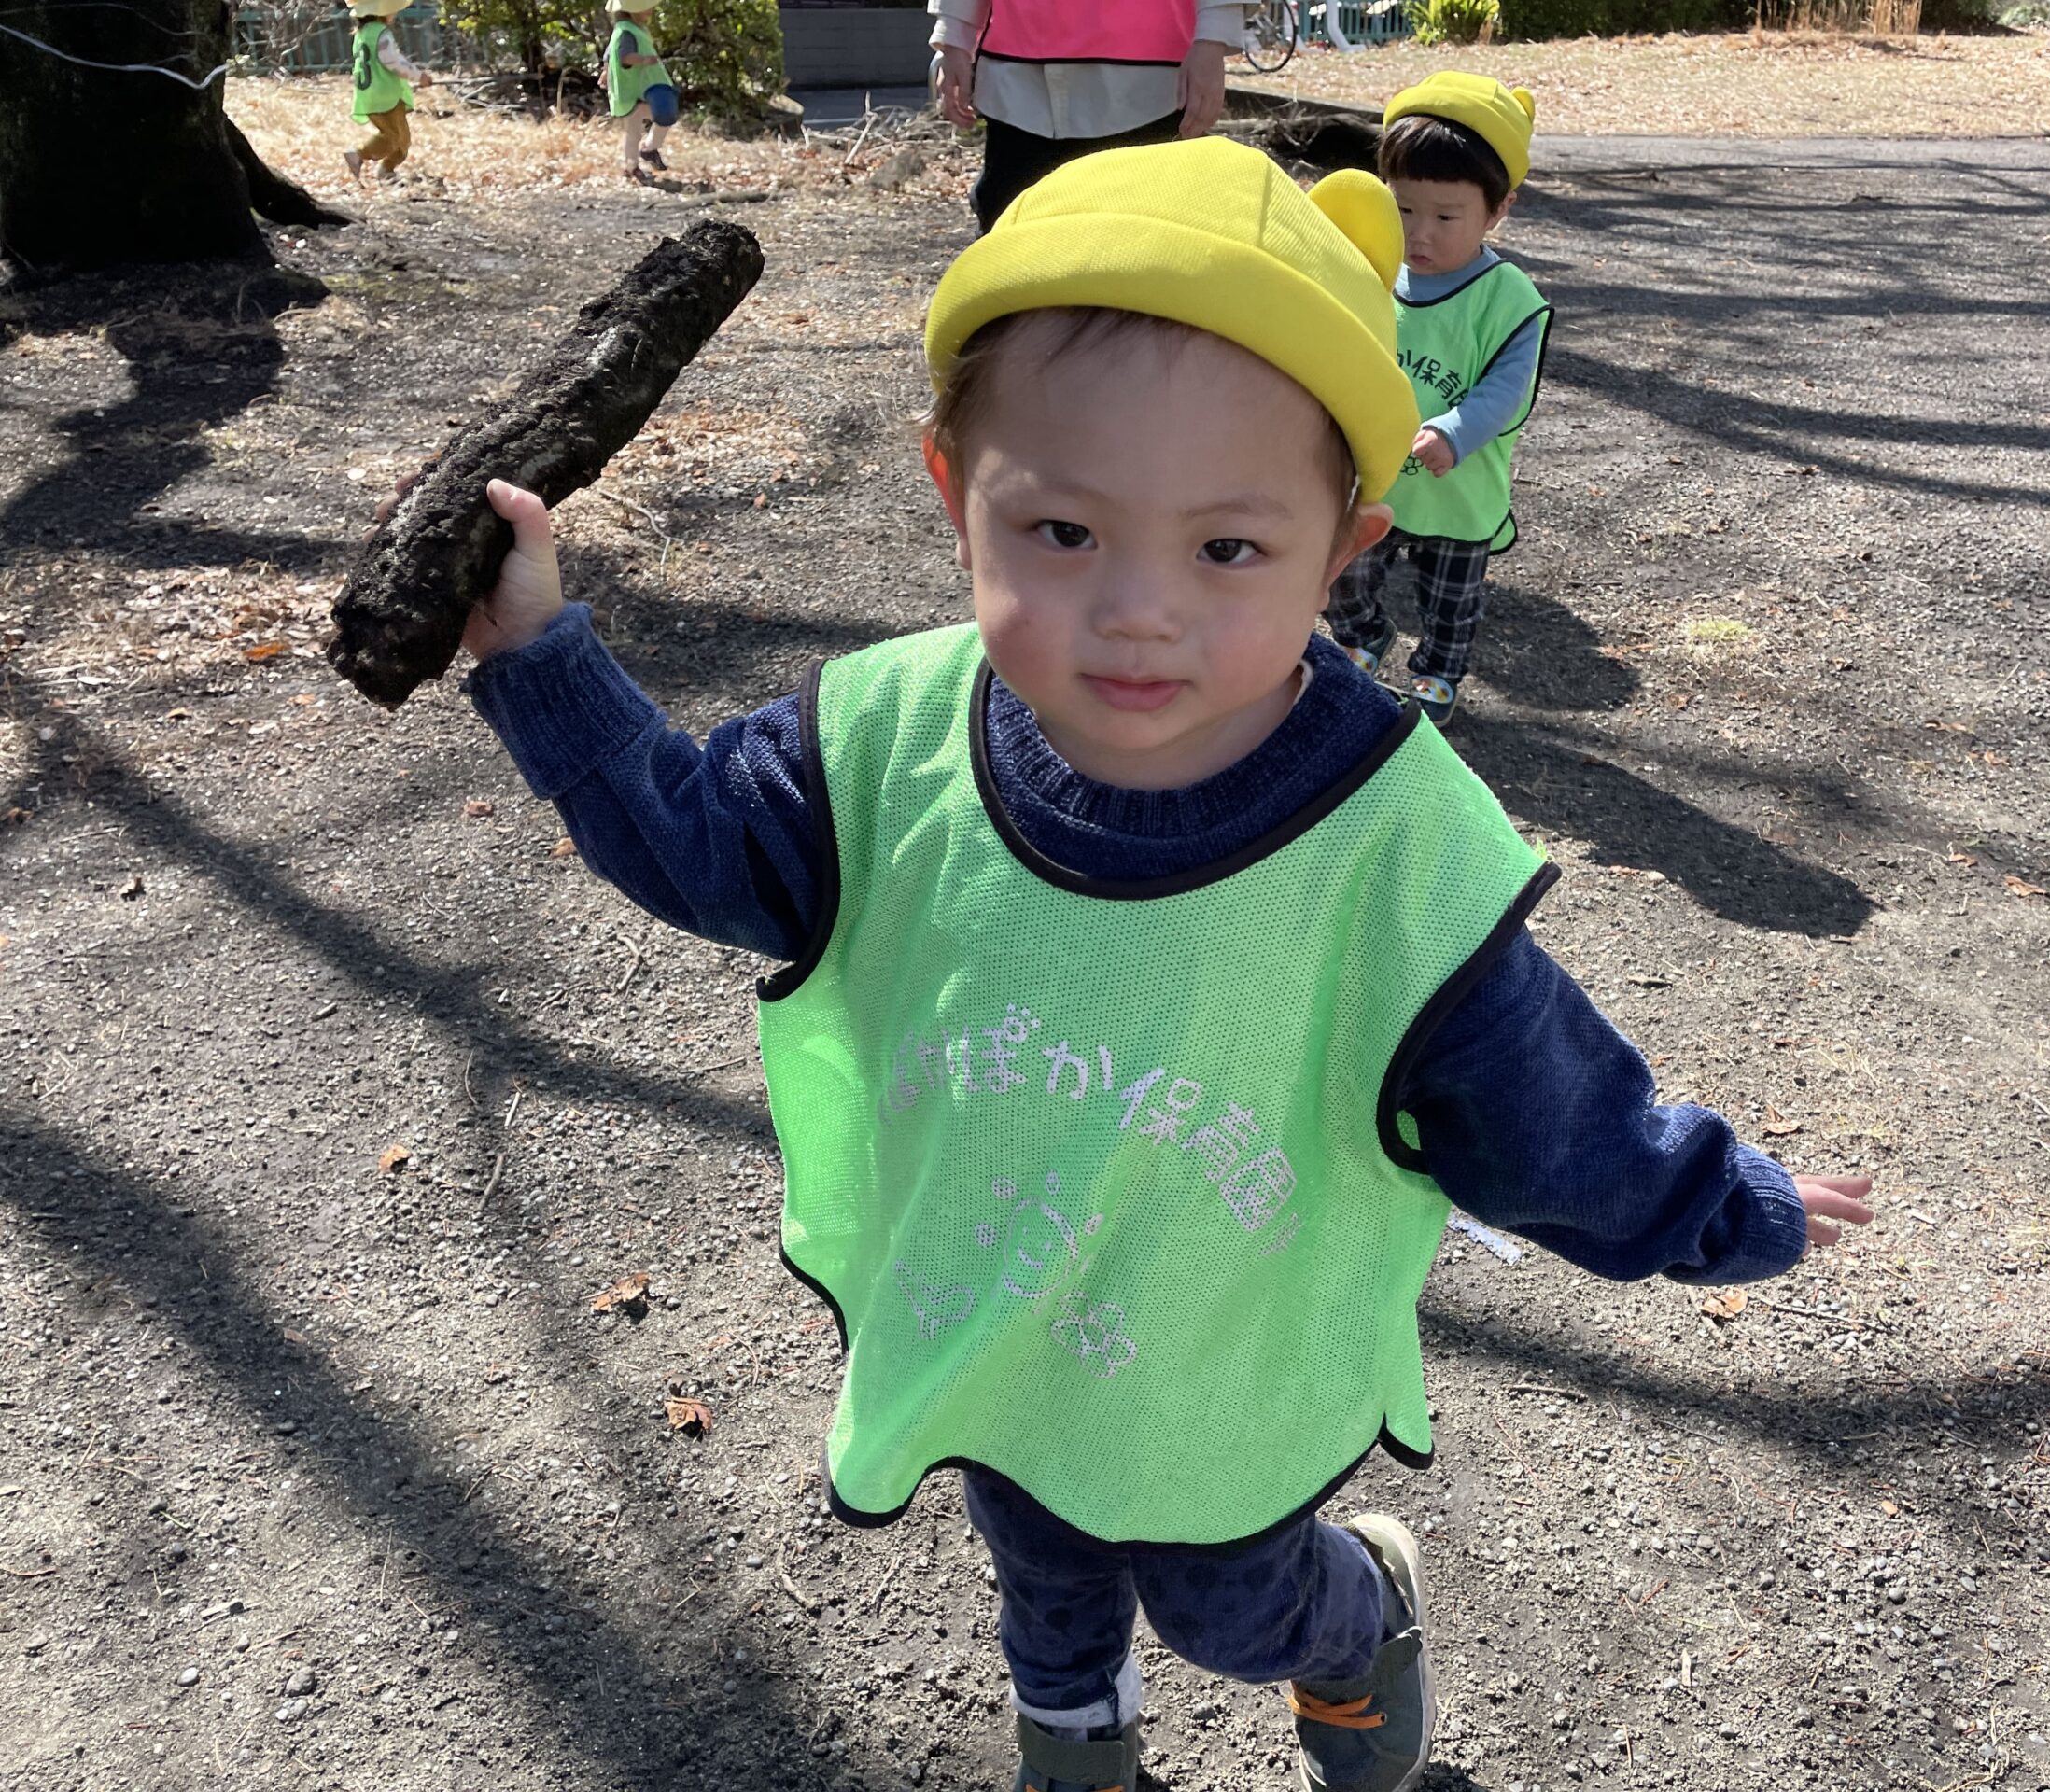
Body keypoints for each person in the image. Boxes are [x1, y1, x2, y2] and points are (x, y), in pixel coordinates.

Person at [456, 139, 1874, 1792]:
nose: (1138, 611)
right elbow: (700, 841)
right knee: (1041, 1566)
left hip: (1223, 1359)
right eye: (1062, 529)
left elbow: (1540, 1107)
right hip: (999, 1304)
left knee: (1224, 1604)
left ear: (1345, 548)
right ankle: (1076, 1743)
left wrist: (1718, 1200)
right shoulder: (885, 742)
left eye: (1228, 551)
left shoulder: (1385, 835)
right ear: (954, 490)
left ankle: (1356, 1618)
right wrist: (541, 654)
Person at [1326, 74, 1551, 729]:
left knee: (1451, 597)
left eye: (1446, 218)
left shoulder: (1509, 299)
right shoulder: (1371, 270)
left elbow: (1508, 386)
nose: (1419, 235)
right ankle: (1364, 635)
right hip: (1374, 473)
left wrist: (1456, 430)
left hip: (1456, 487)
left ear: (1499, 209)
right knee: (1342, 572)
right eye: (1403, 210)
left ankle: (1439, 670)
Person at [927, 0, 1238, 234]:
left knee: (1143, 247)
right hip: (1020, 86)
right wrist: (953, 41)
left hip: (1147, 87)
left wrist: (1212, 41)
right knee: (1008, 243)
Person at [343, 0, 424, 186]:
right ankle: (358, 154)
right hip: (386, 95)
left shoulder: (361, 34)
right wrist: (418, 76)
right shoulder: (381, 33)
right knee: (392, 137)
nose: (394, 14)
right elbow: (392, 61)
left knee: (401, 139)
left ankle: (387, 170)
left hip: (368, 95)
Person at [604, 0, 678, 184]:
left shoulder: (630, 29)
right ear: (634, 10)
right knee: (634, 133)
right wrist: (643, 60)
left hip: (639, 89)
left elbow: (608, 55)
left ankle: (649, 149)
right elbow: (624, 57)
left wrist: (605, 72)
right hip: (630, 91)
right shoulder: (626, 32)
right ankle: (632, 167)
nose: (651, 9)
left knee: (663, 117)